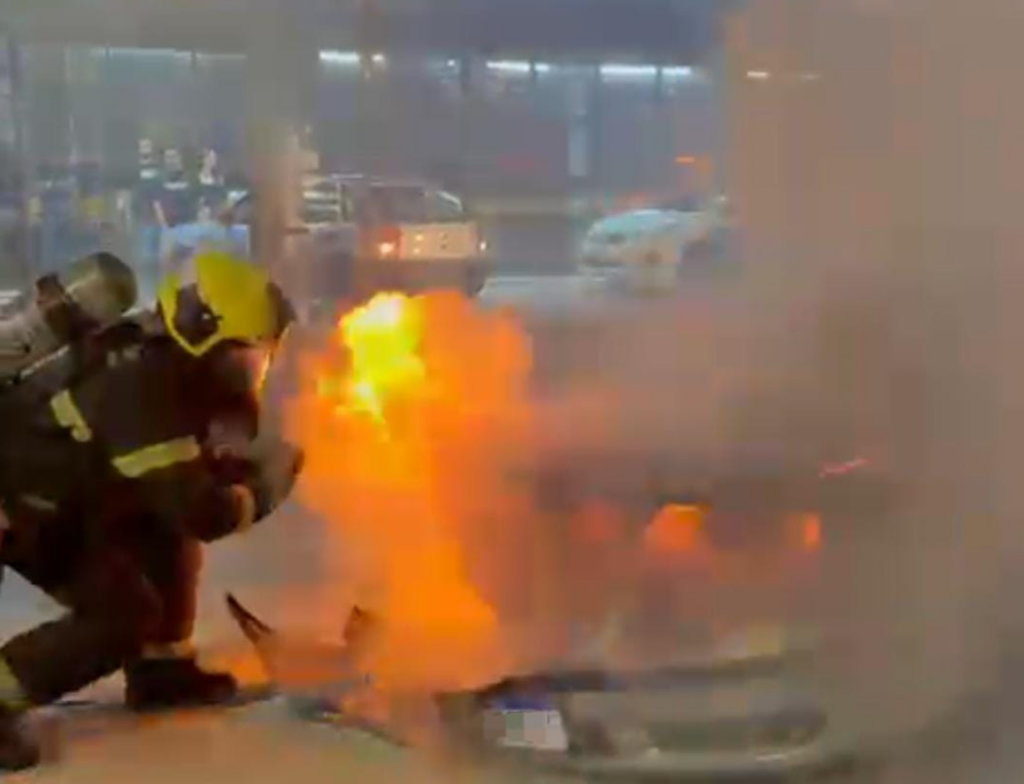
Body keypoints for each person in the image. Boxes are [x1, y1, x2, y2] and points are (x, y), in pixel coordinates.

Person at [0, 250, 304, 770]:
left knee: (159, 531)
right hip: (24, 506)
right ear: (205, 336)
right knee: (124, 612)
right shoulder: (142, 384)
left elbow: (174, 484)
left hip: (59, 495)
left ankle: (163, 672)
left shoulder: (165, 360)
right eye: (243, 356)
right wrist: (268, 484)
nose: (250, 371)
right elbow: (202, 513)